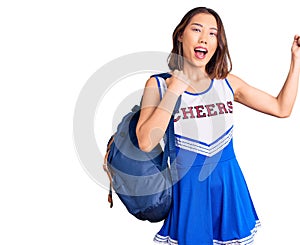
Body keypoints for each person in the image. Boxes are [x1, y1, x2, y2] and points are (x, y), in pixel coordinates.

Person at [135, 6, 300, 245]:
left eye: (213, 33)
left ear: (218, 42)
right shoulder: (158, 85)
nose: (204, 38)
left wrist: (296, 60)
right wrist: (174, 91)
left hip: (229, 186)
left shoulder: (227, 82)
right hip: (189, 190)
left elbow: (281, 108)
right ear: (181, 35)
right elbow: (145, 141)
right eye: (196, 29)